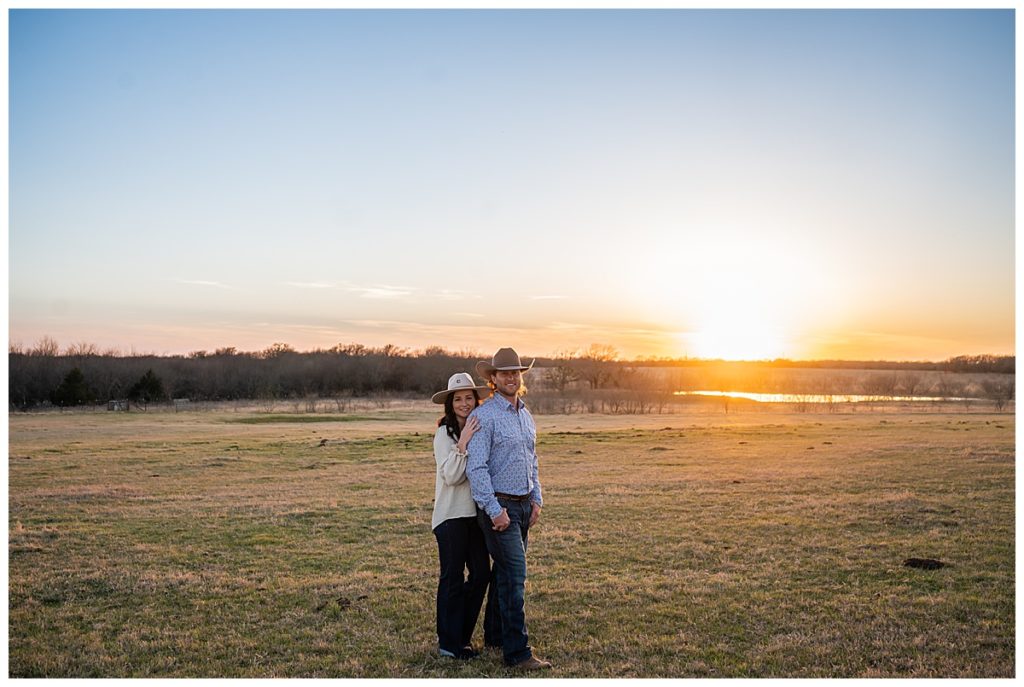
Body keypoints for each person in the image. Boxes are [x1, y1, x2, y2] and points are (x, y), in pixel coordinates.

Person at [466, 348, 552, 671]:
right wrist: (493, 510)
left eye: (515, 373)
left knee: (504, 573)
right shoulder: (483, 416)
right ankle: (517, 654)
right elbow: (477, 469)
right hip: (499, 507)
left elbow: (532, 460)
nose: (511, 378)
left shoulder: (526, 415)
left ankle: (496, 636)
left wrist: (537, 498)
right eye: (504, 373)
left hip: (523, 504)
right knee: (516, 574)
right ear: (493, 379)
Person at [430, 372, 501, 660]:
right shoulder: (443, 433)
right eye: (458, 399)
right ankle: (449, 643)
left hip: (475, 516)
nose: (463, 403)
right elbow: (451, 476)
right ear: (451, 404)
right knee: (452, 578)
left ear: (476, 400)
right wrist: (464, 441)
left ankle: (462, 636)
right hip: (450, 517)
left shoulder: (482, 428)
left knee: (482, 574)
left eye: (468, 398)